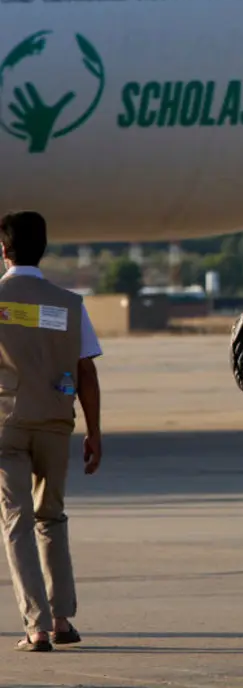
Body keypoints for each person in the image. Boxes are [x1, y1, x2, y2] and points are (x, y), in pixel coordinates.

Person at [0, 211, 103, 653]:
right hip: (56, 423)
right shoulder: (68, 303)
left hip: (7, 424)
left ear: (4, 250)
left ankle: (36, 627)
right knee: (52, 517)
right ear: (42, 249)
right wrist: (94, 432)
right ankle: (62, 619)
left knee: (17, 523)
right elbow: (87, 372)